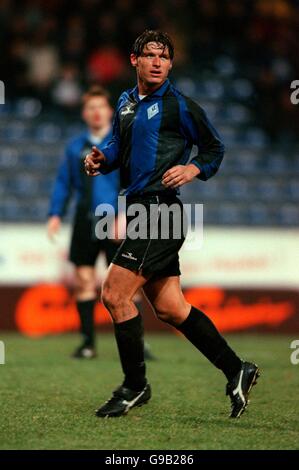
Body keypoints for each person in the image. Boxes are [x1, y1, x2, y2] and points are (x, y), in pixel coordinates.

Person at [84, 30, 260, 419]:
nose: (158, 62)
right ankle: (237, 370)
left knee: (114, 294)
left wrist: (193, 167)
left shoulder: (179, 105)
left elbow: (215, 147)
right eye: (150, 55)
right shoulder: (127, 102)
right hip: (139, 211)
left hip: (159, 213)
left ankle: (135, 386)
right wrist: (102, 159)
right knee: (171, 308)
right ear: (135, 60)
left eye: (164, 56)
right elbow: (118, 146)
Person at [47, 85, 155, 360]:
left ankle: (138, 345)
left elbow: (135, 182)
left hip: (118, 219)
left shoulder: (124, 143)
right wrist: (55, 214)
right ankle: (87, 344)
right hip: (85, 220)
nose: (96, 112)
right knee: (84, 279)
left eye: (101, 107)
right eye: (91, 107)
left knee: (129, 285)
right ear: (85, 113)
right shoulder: (75, 147)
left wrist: (123, 214)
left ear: (110, 111)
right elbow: (64, 183)